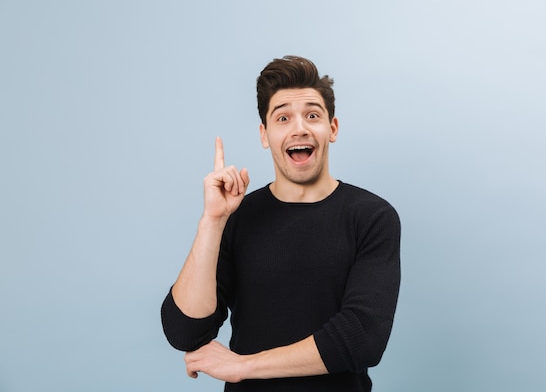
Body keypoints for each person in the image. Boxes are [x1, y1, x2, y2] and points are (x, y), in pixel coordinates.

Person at [161, 55, 401, 392]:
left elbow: (361, 338)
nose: (299, 128)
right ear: (265, 134)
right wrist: (212, 221)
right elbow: (185, 331)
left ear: (332, 128)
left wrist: (242, 366)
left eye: (312, 115)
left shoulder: (372, 217)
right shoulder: (238, 217)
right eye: (283, 117)